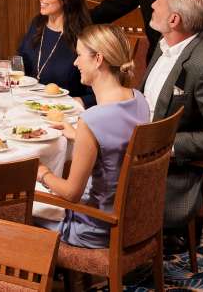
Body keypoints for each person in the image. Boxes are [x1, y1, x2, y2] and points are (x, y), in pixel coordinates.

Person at [35, 24, 150, 248]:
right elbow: (117, 148)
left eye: (79, 56)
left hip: (95, 229)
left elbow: (71, 194)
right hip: (132, 221)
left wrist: (42, 172)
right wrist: (79, 135)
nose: (75, 63)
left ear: (98, 59)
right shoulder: (139, 99)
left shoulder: (92, 120)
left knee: (11, 211)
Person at [141, 0, 203, 235]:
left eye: (158, 0)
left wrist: (167, 146)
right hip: (139, 156)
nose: (152, 4)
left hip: (172, 176)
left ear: (174, 20)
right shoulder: (164, 45)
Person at [15, 0, 94, 107]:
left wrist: (74, 103)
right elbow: (18, 64)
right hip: (31, 105)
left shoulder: (84, 36)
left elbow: (98, 93)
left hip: (66, 116)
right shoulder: (38, 23)